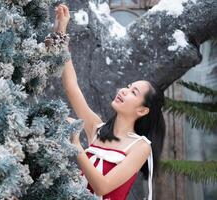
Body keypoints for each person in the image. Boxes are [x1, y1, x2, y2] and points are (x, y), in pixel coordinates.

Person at [54, 3, 166, 200]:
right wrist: (61, 30)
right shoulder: (97, 129)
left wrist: (75, 142)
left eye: (133, 92)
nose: (124, 90)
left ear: (142, 110)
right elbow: (72, 87)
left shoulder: (140, 147)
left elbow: (103, 187)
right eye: (128, 86)